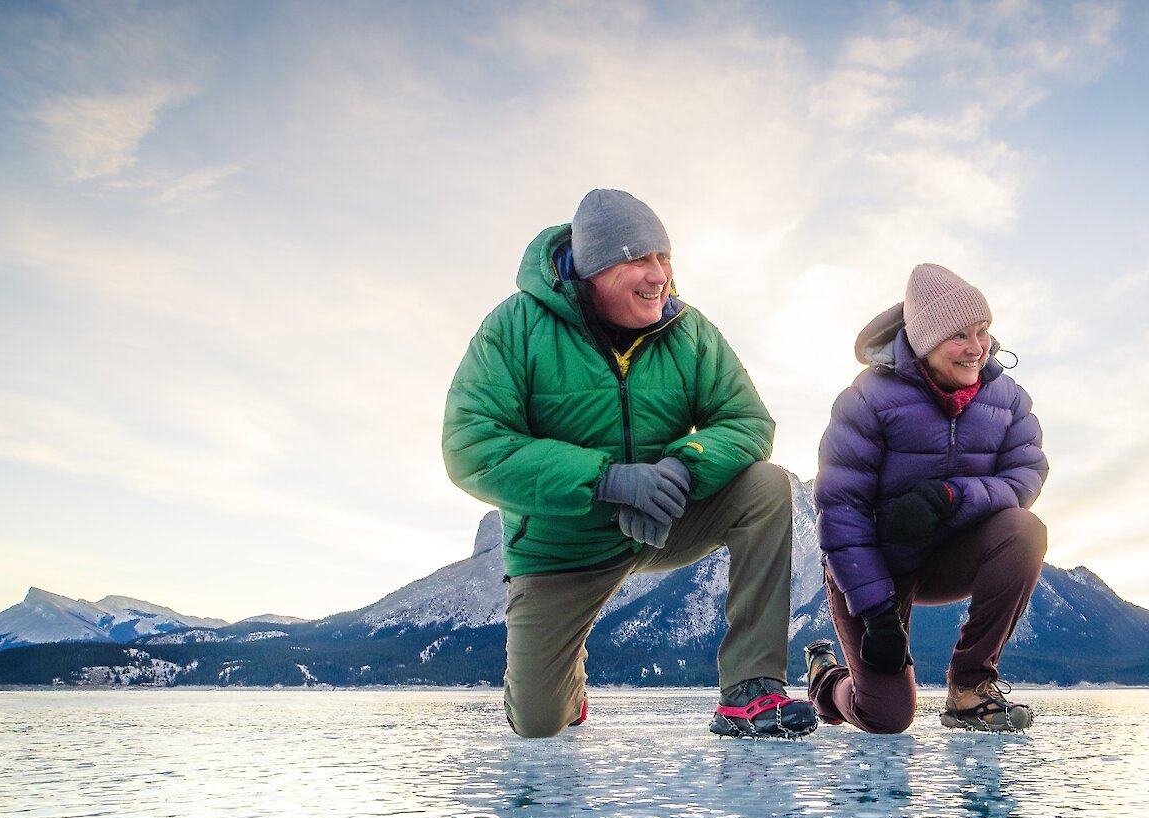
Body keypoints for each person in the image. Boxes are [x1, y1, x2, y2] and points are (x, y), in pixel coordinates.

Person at [443, 188, 817, 739]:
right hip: (561, 548)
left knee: (765, 487)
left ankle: (750, 690)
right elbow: (470, 445)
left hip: (666, 520)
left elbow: (748, 421)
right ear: (593, 269)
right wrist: (608, 481)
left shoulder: (688, 331)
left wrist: (682, 469)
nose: (659, 274)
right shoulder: (514, 329)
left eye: (664, 257)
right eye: (638, 259)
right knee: (539, 725)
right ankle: (565, 687)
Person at [805, 263, 1048, 733]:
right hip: (879, 563)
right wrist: (876, 614)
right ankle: (825, 679)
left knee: (1024, 530)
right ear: (924, 339)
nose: (977, 348)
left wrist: (954, 496)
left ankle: (971, 686)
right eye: (960, 335)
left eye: (983, 331)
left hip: (951, 557)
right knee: (886, 716)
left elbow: (1026, 475)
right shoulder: (866, 400)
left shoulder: (1008, 398)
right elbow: (840, 510)